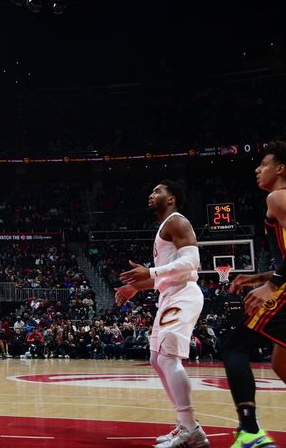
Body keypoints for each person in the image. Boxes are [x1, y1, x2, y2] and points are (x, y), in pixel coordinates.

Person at [116, 180, 209, 448]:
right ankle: (187, 427)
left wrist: (151, 272)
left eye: (158, 190)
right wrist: (135, 286)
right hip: (170, 294)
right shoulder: (163, 227)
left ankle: (190, 428)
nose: (151, 193)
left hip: (183, 294)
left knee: (168, 359)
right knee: (157, 359)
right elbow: (167, 274)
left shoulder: (176, 222)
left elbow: (192, 263)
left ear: (171, 199)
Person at [219, 140, 286, 448]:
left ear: (280, 169)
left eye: (264, 164)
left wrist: (272, 285)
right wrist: (260, 276)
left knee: (234, 346)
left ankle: (250, 433)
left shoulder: (278, 197)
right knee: (280, 363)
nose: (258, 169)